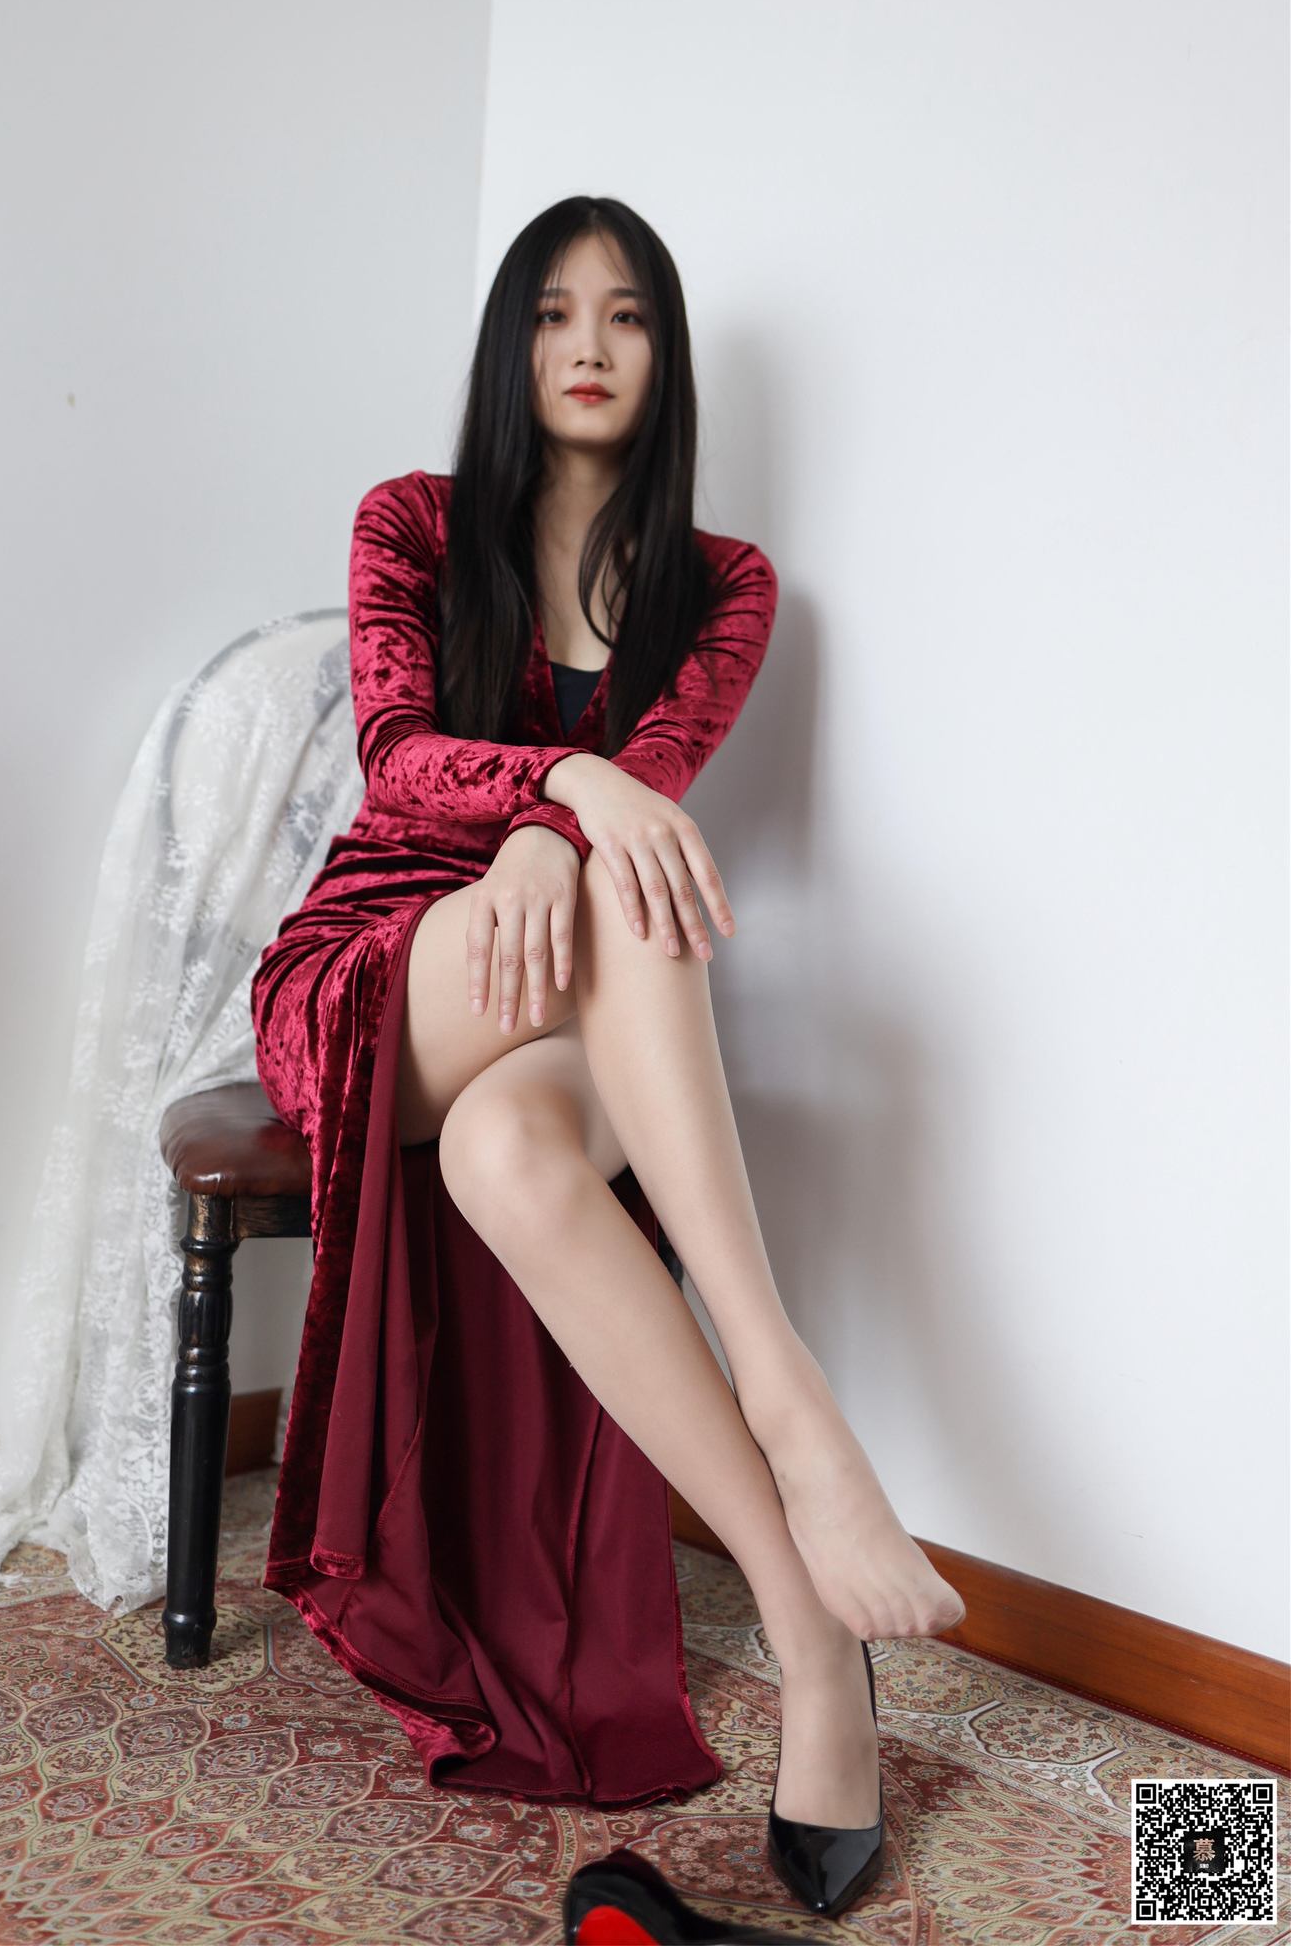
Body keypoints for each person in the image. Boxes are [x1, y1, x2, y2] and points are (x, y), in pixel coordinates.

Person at [250, 195, 965, 1919]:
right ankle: (788, 1394)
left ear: (666, 355)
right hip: (381, 968)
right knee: (629, 875)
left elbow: (662, 771)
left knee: (518, 1145)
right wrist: (562, 793)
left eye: (628, 315)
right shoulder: (414, 521)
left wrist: (565, 837)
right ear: (513, 344)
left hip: (567, 986)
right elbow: (401, 755)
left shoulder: (726, 586)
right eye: (556, 312)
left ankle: (812, 1641)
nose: (588, 345)